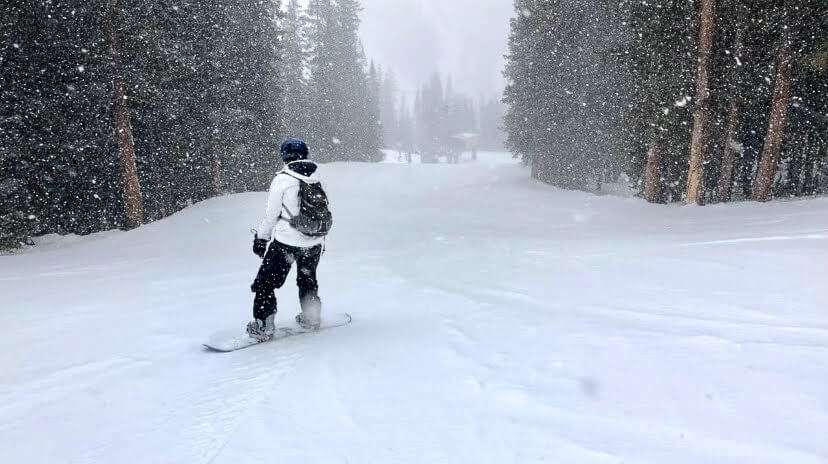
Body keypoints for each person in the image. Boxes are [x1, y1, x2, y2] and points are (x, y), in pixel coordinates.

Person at [247, 138, 328, 341]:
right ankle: (312, 318)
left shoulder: (282, 179)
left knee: (266, 282)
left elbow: (271, 215)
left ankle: (264, 325)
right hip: (314, 242)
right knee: (307, 279)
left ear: (285, 155)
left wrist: (261, 238)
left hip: (287, 243)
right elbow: (323, 212)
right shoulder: (317, 177)